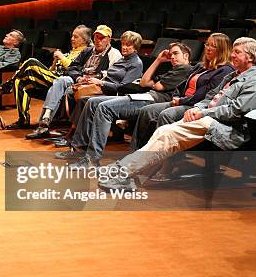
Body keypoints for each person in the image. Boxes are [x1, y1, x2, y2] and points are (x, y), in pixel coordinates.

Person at [99, 37, 256, 191]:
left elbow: (236, 110)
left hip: (226, 128)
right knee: (163, 131)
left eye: (238, 52)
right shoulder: (233, 75)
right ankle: (126, 171)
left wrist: (202, 112)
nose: (233, 55)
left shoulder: (253, 79)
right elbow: (209, 97)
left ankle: (122, 171)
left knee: (167, 134)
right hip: (208, 117)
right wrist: (197, 109)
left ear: (251, 57)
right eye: (233, 51)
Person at [64, 42, 192, 167]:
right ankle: (78, 150)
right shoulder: (173, 70)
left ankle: (92, 159)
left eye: (176, 53)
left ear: (186, 56)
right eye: (171, 54)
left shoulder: (184, 69)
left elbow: (157, 86)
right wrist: (158, 60)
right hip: (145, 96)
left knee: (104, 108)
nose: (172, 57)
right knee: (92, 102)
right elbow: (144, 82)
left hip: (153, 100)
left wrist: (154, 83)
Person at [130, 33, 233, 149]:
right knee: (147, 110)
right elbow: (182, 84)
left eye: (213, 46)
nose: (208, 48)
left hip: (194, 105)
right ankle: (137, 151)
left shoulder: (225, 70)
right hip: (181, 101)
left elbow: (205, 94)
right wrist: (176, 96)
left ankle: (162, 158)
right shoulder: (201, 66)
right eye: (207, 44)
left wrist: (181, 100)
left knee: (166, 114)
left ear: (222, 49)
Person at [0, 25, 92, 129]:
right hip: (52, 77)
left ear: (84, 40)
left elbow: (73, 70)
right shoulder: (71, 51)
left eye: (76, 37)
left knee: (31, 61)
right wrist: (55, 62)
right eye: (72, 36)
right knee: (20, 82)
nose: (72, 39)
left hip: (64, 82)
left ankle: (6, 86)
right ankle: (23, 120)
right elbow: (51, 71)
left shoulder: (86, 52)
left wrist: (61, 57)